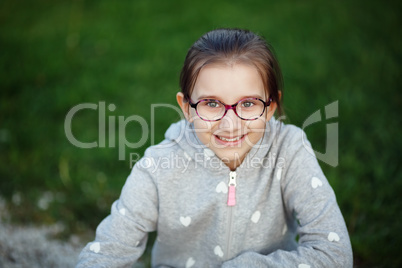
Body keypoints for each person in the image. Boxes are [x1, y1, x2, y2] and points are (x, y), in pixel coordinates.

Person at [77, 28, 353, 267]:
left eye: (247, 104)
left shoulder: (290, 151)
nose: (230, 124)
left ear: (270, 107)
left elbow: (334, 254)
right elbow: (110, 249)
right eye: (211, 104)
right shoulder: (158, 167)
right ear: (186, 107)